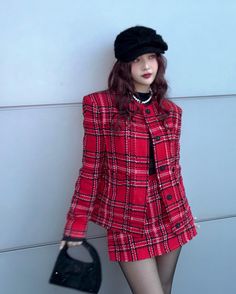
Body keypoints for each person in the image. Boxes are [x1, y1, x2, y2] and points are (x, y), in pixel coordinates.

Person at [60, 25, 199, 294]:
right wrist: (75, 225)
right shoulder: (99, 106)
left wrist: (184, 214)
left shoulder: (171, 112)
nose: (147, 65)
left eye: (151, 56)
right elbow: (91, 169)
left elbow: (172, 169)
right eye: (137, 59)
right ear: (124, 65)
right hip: (128, 217)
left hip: (171, 212)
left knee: (166, 286)